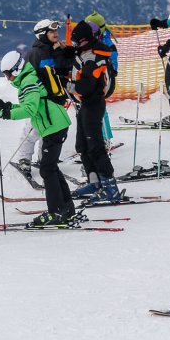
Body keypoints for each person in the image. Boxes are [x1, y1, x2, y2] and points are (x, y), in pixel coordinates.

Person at [0, 50, 75, 227]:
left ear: (16, 69)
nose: (7, 78)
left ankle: (56, 212)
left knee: (47, 169)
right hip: (54, 124)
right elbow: (31, 105)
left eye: (8, 74)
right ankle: (66, 208)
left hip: (54, 126)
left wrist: (5, 113)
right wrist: (8, 106)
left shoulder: (28, 81)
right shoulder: (27, 78)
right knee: (50, 167)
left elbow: (29, 109)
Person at [68, 20, 121, 203]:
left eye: (78, 43)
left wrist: (65, 84)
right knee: (82, 145)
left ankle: (110, 187)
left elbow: (85, 86)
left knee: (95, 146)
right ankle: (95, 181)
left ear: (86, 40)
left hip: (93, 103)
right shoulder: (84, 52)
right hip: (85, 105)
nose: (76, 46)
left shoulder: (93, 58)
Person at [15, 18, 74, 177]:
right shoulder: (35, 54)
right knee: (32, 130)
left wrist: (63, 52)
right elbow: (27, 77)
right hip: (41, 100)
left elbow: (64, 68)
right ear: (42, 34)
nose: (56, 34)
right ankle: (24, 159)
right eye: (52, 31)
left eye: (56, 31)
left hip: (56, 98)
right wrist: (33, 96)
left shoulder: (56, 49)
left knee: (49, 131)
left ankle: (44, 157)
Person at [86, 10, 118, 145]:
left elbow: (113, 58)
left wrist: (113, 71)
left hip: (104, 79)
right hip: (92, 79)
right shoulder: (93, 39)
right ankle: (98, 137)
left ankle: (104, 138)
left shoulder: (106, 42)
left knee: (99, 108)